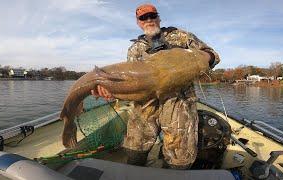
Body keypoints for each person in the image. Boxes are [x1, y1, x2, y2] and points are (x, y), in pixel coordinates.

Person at [91, 3, 220, 169]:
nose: (149, 20)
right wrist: (112, 91)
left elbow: (213, 55)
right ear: (138, 22)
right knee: (134, 149)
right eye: (143, 18)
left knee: (179, 158)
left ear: (159, 18)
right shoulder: (135, 49)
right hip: (145, 105)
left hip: (178, 104)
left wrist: (202, 58)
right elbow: (132, 84)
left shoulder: (181, 36)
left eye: (152, 16)